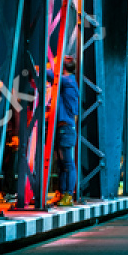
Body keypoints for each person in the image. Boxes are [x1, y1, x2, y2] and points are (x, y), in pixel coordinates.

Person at [45, 55, 82, 205]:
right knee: (61, 163)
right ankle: (62, 193)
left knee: (67, 163)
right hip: (63, 128)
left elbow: (47, 73)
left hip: (66, 128)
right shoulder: (68, 81)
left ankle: (68, 195)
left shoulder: (67, 81)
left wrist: (50, 62)